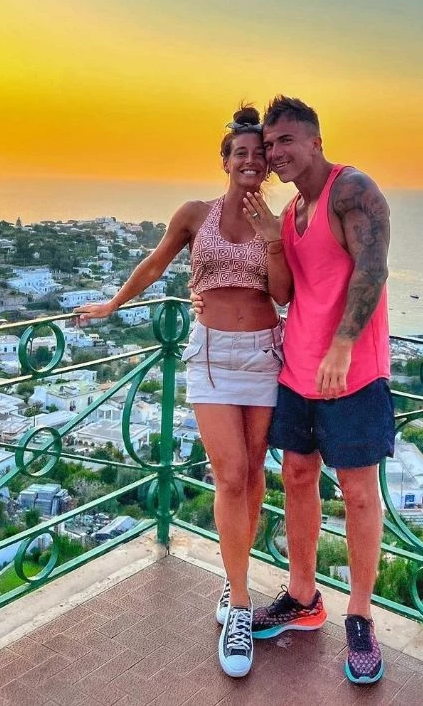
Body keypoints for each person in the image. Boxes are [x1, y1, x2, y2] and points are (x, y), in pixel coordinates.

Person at [74, 106, 292, 679]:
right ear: (225, 161)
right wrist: (113, 304)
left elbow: (285, 293)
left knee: (253, 475)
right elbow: (155, 263)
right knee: (230, 475)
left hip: (264, 354)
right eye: (240, 153)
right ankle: (240, 606)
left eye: (259, 154)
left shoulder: (280, 220)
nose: (250, 161)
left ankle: (234, 579)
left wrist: (274, 241)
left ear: (269, 164)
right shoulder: (196, 214)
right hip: (211, 358)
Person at [252, 96, 394, 685]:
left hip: (352, 372)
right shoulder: (292, 212)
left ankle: (359, 615)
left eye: (285, 140)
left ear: (315, 141)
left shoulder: (351, 190)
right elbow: (288, 293)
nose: (275, 153)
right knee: (296, 476)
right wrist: (270, 240)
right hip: (297, 370)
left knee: (358, 493)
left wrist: (343, 344)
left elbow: (373, 268)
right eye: (269, 145)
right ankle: (303, 596)